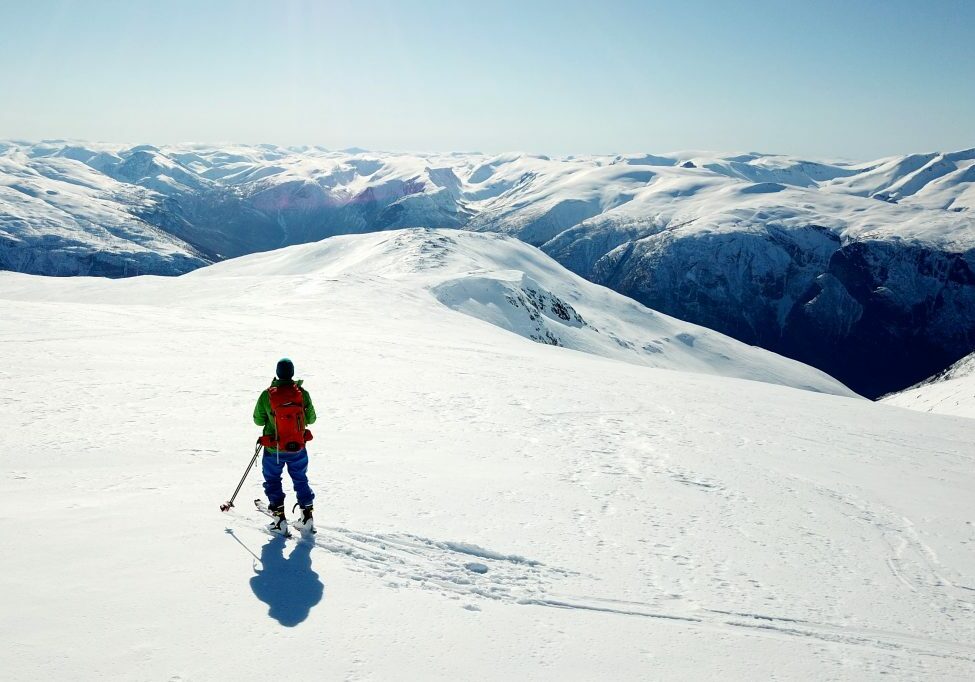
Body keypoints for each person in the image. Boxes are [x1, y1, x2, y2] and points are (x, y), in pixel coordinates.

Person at [253, 358, 317, 534]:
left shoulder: (268, 395)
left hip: (275, 450)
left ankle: (279, 519)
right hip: (298, 448)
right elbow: (311, 419)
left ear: (277, 373)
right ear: (292, 373)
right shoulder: (302, 394)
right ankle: (307, 518)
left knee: (273, 480)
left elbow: (258, 421)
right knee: (301, 479)